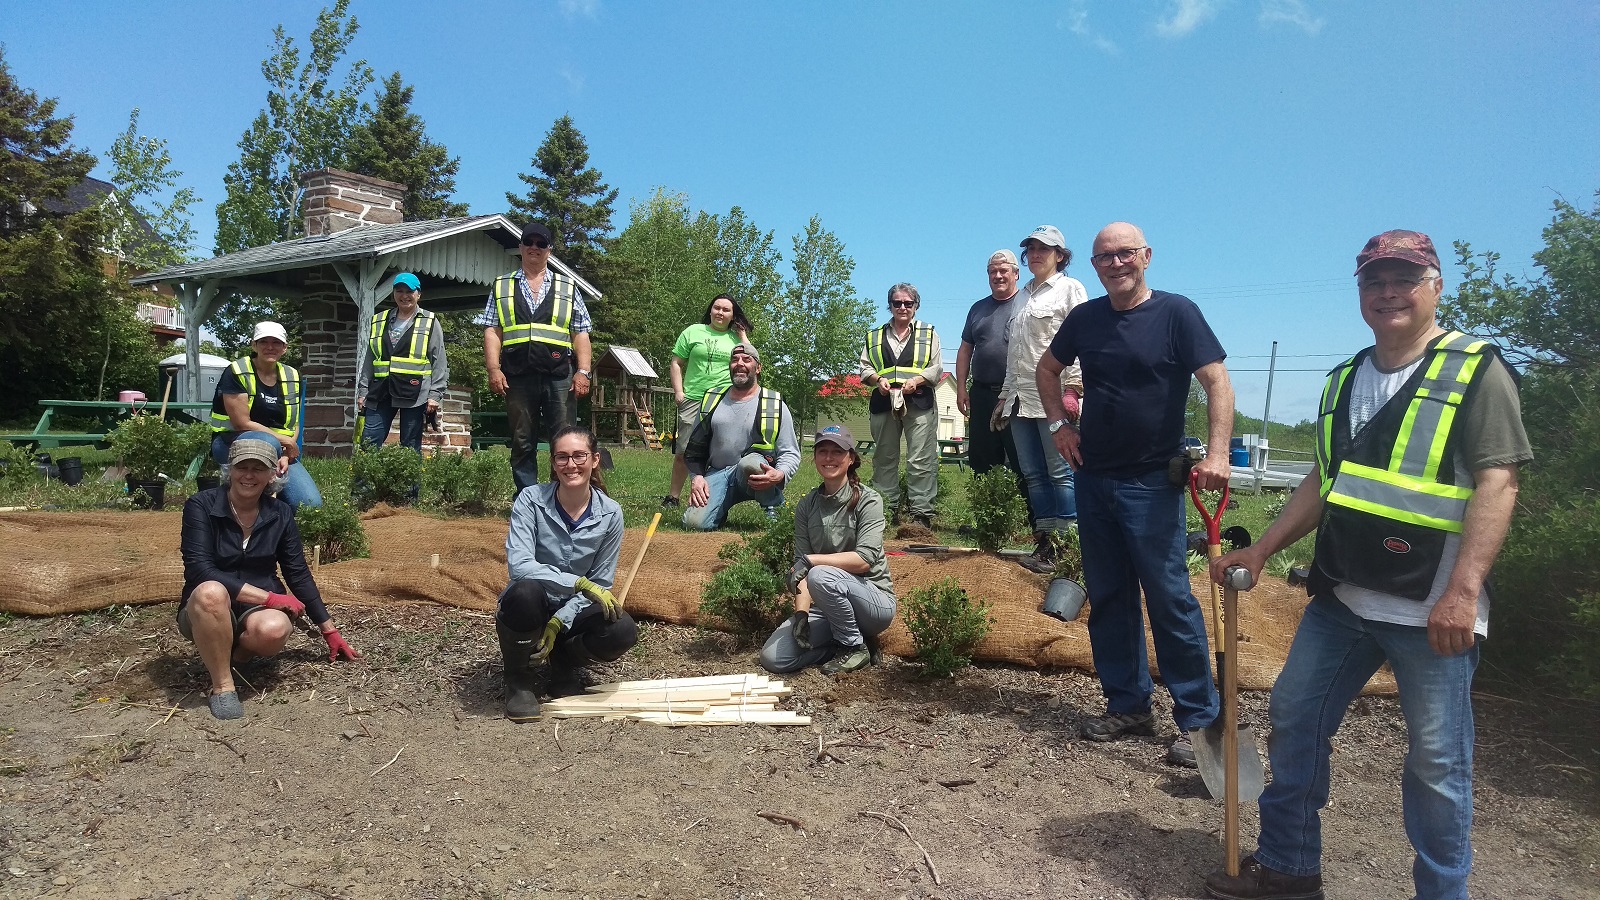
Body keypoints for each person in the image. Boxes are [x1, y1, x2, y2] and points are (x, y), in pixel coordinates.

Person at [1202, 231, 1530, 900]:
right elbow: (1327, 479)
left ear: (1435, 286)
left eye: (1404, 279)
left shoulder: (1475, 371)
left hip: (1433, 610)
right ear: (1360, 293)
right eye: (1374, 282)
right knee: (1295, 722)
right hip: (1343, 601)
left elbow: (1498, 483)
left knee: (1438, 764)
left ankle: (1442, 893)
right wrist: (1262, 550)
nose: (1388, 293)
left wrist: (1464, 592)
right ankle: (1291, 870)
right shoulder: (1345, 379)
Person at [1037, 221, 1233, 768]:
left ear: (1146, 256)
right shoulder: (1086, 318)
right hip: (1094, 476)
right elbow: (1047, 369)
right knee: (1109, 596)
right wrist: (1060, 427)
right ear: (1094, 266)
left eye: (1125, 254)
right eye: (1104, 257)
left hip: (1152, 482)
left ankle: (1199, 721)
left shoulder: (1177, 313)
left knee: (1169, 598)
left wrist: (1218, 454)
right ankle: (1128, 704)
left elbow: (1216, 381)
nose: (1116, 263)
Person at [178, 435, 361, 720]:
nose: (249, 475)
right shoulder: (201, 506)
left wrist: (328, 629)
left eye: (258, 468)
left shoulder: (281, 514)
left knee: (275, 628)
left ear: (271, 474)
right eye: (242, 467)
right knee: (210, 591)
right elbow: (200, 570)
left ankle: (237, 657)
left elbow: (297, 572)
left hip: (255, 608)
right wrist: (271, 597)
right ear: (230, 470)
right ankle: (223, 686)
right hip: (207, 608)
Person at [496, 425, 638, 722]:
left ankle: (563, 661)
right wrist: (577, 582)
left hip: (571, 610)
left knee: (621, 629)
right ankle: (519, 679)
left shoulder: (611, 513)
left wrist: (560, 621)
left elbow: (600, 582)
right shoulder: (530, 500)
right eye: (561, 457)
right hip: (532, 603)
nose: (570, 465)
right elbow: (520, 565)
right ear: (553, 462)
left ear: (595, 459)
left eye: (579, 456)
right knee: (523, 593)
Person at [760, 425, 896, 675]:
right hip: (827, 605)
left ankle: (853, 646)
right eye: (822, 451)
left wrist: (811, 561)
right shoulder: (807, 505)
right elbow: (800, 572)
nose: (829, 458)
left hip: (874, 603)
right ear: (815, 458)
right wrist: (801, 615)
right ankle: (849, 647)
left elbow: (864, 560)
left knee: (820, 574)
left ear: (851, 458)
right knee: (774, 659)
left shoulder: (868, 500)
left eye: (837, 451)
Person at [477, 222, 594, 492]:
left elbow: (581, 333)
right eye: (529, 242)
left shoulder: (568, 286)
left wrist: (583, 371)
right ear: (520, 247)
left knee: (565, 440)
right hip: (517, 376)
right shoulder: (501, 285)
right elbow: (492, 330)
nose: (534, 248)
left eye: (541, 244)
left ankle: (564, 497)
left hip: (559, 376)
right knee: (521, 440)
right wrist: (494, 369)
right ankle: (526, 500)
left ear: (549, 251)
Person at [998, 225, 1086, 572]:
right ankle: (1046, 543)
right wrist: (1005, 394)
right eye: (1031, 248)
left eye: (1044, 249)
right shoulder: (1022, 296)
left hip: (1052, 396)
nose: (1036, 254)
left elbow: (1083, 340)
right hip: (1021, 397)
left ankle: (1069, 546)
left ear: (1060, 256)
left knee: (1061, 471)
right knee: (1033, 473)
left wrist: (1073, 388)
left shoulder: (1069, 290)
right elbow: (1015, 353)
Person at [682, 343, 801, 530]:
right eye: (734, 359)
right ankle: (716, 511)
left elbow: (790, 452)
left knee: (750, 463)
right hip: (718, 472)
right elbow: (695, 448)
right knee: (694, 524)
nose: (740, 364)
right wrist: (697, 477)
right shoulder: (711, 400)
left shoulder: (775, 403)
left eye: (747, 359)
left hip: (755, 474)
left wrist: (780, 474)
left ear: (758, 368)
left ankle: (773, 508)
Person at [209, 320, 323, 509]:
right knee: (268, 443)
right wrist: (285, 443)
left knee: (310, 505)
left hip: (279, 450)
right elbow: (241, 423)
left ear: (285, 348)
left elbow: (294, 424)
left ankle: (277, 517)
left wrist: (286, 454)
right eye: (264, 342)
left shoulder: (292, 375)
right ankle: (244, 503)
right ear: (254, 345)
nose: (270, 347)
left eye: (276, 342)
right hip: (231, 443)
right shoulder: (237, 371)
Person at [859, 283, 943, 528]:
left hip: (918, 401)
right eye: (897, 303)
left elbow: (936, 368)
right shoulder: (874, 336)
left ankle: (921, 514)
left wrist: (916, 381)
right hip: (884, 402)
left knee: (921, 458)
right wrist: (878, 380)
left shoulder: (929, 334)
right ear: (890, 305)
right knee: (884, 457)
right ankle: (885, 509)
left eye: (908, 303)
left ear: (916, 306)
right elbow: (865, 368)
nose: (903, 307)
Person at [662, 293, 752, 509]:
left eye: (726, 310)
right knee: (684, 450)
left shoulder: (735, 338)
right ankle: (673, 497)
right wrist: (679, 392)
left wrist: (742, 335)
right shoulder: (693, 331)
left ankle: (714, 497)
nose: (720, 312)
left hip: (724, 400)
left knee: (720, 450)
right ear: (710, 310)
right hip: (693, 398)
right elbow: (676, 362)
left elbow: (752, 361)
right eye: (716, 308)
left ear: (733, 315)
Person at [355, 272, 449, 455]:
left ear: (418, 294)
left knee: (410, 447)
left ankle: (409, 485)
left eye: (409, 291)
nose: (404, 295)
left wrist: (435, 395)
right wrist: (363, 391)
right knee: (369, 443)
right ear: (393, 294)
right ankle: (363, 484)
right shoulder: (379, 320)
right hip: (380, 391)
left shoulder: (429, 321)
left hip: (415, 393)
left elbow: (439, 361)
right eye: (399, 291)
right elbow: (369, 358)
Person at [956, 250, 1027, 485]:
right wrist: (961, 389)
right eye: (992, 271)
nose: (998, 276)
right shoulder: (977, 309)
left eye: (1003, 270)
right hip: (982, 394)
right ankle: (987, 516)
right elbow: (965, 350)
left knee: (1022, 459)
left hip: (1018, 395)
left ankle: (1033, 519)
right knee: (982, 459)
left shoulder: (1028, 304)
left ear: (1016, 273)